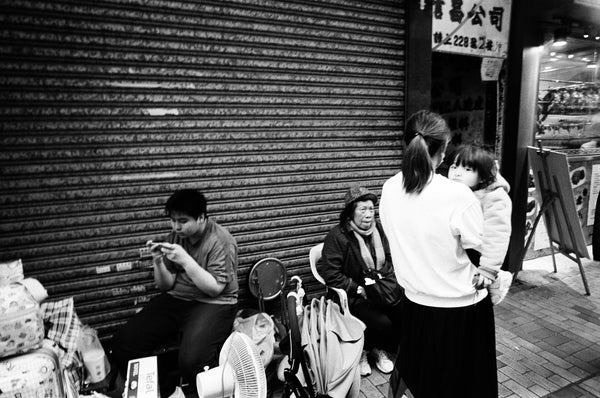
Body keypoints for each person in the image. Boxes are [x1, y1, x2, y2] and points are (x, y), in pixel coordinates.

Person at [379, 110, 497, 398]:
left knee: (424, 386)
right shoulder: (457, 195)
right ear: (443, 149)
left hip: (415, 308)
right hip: (461, 313)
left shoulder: (389, 188)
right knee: (465, 388)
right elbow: (481, 249)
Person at [110, 189, 238, 397]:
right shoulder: (176, 237)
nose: (176, 227)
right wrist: (158, 261)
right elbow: (165, 286)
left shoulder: (221, 240)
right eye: (173, 220)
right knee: (124, 344)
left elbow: (215, 288)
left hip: (215, 303)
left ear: (202, 218)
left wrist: (185, 260)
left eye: (183, 221)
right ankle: (167, 391)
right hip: (177, 298)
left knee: (192, 362)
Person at [318, 185, 402, 376]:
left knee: (402, 308)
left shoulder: (379, 229)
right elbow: (330, 274)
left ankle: (380, 348)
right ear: (350, 212)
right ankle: (364, 352)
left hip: (378, 288)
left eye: (371, 209)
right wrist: (357, 288)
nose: (368, 214)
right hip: (354, 294)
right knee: (382, 321)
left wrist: (385, 278)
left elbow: (390, 258)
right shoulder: (337, 237)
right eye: (362, 209)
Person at [447, 144, 513, 305]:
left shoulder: (495, 197)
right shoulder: (455, 192)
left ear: (483, 177)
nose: (457, 173)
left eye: (467, 169)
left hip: (480, 254)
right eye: (454, 166)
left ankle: (499, 279)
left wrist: (489, 268)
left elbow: (497, 235)